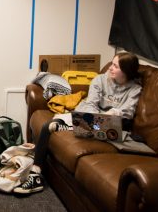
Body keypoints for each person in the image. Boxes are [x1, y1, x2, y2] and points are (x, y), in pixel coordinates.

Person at [15, 52, 142, 194]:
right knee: (48, 127)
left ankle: (69, 128)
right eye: (112, 63)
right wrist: (104, 117)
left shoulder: (134, 89)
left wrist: (110, 116)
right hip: (86, 117)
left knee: (111, 125)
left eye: (115, 66)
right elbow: (90, 105)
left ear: (126, 71)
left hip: (111, 126)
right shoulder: (100, 80)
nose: (110, 68)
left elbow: (127, 114)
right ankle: (35, 175)